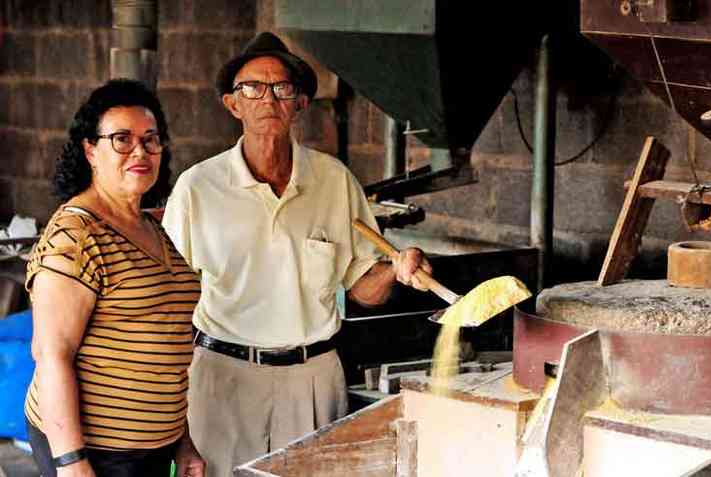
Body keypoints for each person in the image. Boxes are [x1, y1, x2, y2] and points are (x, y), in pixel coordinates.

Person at [162, 32, 432, 477]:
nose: (268, 98)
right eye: (252, 88)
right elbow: (169, 299)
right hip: (223, 375)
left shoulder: (334, 181)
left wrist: (396, 271)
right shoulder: (197, 188)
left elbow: (364, 288)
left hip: (312, 376)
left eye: (282, 88)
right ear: (233, 104)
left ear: (301, 104)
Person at [24, 79, 205, 477]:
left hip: (150, 449)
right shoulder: (76, 236)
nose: (139, 151)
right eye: (121, 139)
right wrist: (71, 462)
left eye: (151, 139)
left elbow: (159, 346)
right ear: (91, 150)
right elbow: (51, 356)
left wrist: (182, 440)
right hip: (98, 452)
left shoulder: (146, 226)